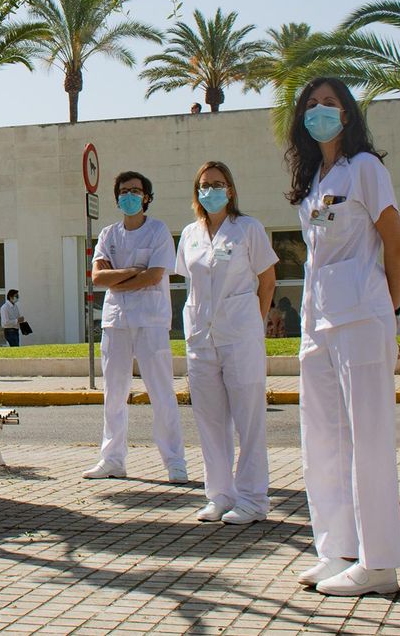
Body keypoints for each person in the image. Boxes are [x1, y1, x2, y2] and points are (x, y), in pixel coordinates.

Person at [286, 76, 400, 596]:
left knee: (369, 440)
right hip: (318, 325)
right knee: (322, 441)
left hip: (361, 318)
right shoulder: (315, 179)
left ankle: (379, 563)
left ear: (348, 113)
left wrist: (391, 311)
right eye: (310, 106)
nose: (319, 112)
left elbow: (396, 245)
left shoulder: (365, 169)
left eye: (329, 104)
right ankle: (337, 549)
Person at [173, 162, 278, 526]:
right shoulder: (190, 234)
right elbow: (191, 283)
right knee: (209, 420)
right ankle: (219, 495)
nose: (211, 190)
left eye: (218, 184)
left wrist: (255, 322)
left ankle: (252, 500)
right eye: (204, 185)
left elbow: (267, 280)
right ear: (196, 191)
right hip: (201, 339)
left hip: (241, 337)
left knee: (249, 419)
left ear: (230, 190)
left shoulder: (248, 229)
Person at [84, 172, 187, 483]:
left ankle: (175, 462)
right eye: (124, 191)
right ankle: (112, 459)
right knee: (113, 394)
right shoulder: (108, 234)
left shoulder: (158, 232)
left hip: (151, 321)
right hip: (115, 321)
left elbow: (154, 275)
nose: (130, 196)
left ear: (146, 196)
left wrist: (119, 278)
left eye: (136, 191)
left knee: (161, 392)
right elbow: (98, 278)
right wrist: (132, 272)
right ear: (117, 198)